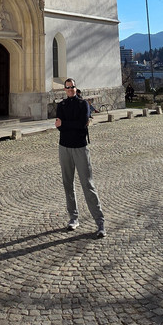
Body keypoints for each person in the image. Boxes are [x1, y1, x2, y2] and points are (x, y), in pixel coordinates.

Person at [55, 78, 105, 238]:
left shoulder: (83, 104)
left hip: (80, 148)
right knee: (67, 184)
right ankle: (73, 218)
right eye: (68, 87)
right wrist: (70, 125)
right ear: (64, 89)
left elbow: (81, 123)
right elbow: (59, 126)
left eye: (72, 87)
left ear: (76, 88)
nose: (70, 89)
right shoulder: (61, 105)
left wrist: (65, 124)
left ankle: (100, 222)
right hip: (64, 147)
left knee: (88, 184)